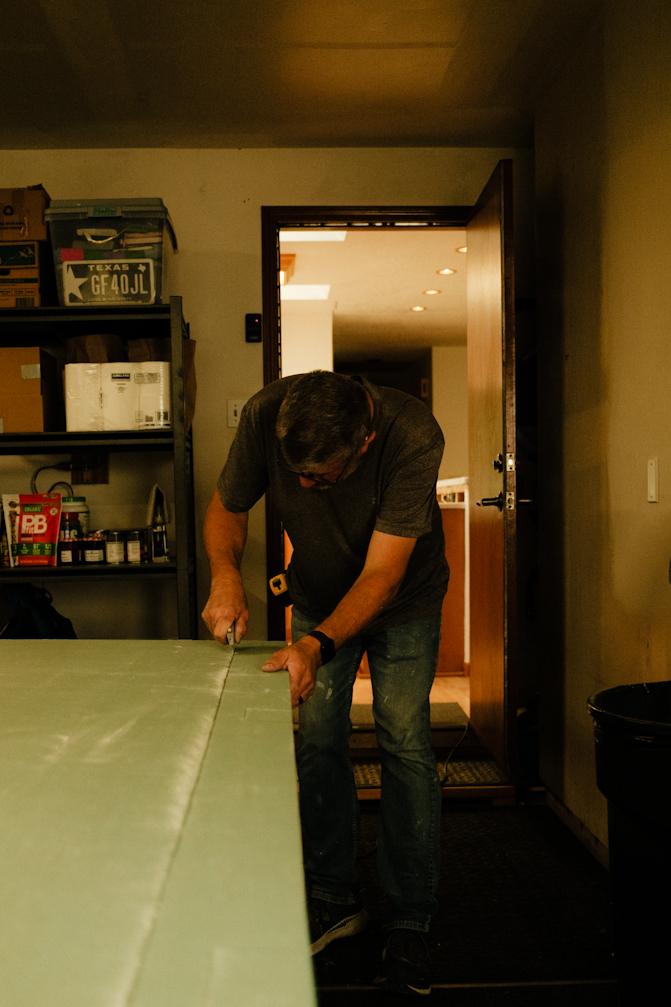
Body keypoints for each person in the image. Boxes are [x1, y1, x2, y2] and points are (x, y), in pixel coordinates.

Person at [202, 370, 448, 996]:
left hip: (403, 603)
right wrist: (226, 574)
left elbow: (384, 575)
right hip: (316, 592)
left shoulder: (411, 434)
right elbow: (228, 507)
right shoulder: (265, 413)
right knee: (316, 742)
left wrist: (314, 646)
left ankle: (411, 917)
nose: (305, 489)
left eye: (320, 478)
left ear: (363, 443)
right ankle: (333, 899)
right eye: (297, 476)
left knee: (404, 742)